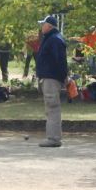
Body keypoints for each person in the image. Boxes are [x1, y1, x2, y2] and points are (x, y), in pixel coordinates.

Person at [35, 15, 68, 147]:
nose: (41, 26)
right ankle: (54, 137)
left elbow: (58, 61)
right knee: (51, 108)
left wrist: (62, 77)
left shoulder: (54, 40)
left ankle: (53, 138)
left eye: (43, 24)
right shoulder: (52, 38)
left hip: (51, 78)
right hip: (50, 77)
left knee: (52, 107)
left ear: (49, 26)